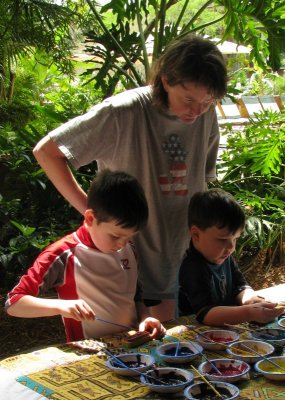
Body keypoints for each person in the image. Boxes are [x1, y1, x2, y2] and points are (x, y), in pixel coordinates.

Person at [32, 34, 228, 321]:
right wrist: (94, 215)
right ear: (165, 80)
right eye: (188, 99)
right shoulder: (122, 112)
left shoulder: (205, 115)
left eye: (207, 101)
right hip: (130, 261)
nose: (196, 111)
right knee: (144, 355)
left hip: (188, 260)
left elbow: (201, 183)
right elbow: (48, 152)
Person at [5, 169, 165, 342]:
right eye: (115, 236)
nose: (122, 244)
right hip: (90, 355)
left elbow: (134, 296)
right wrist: (60, 306)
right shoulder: (64, 254)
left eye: (130, 236)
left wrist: (145, 317)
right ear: (90, 218)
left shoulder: (128, 248)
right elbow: (13, 303)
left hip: (132, 348)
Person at [178, 188, 284, 326]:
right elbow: (205, 314)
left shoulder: (223, 256)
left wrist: (251, 299)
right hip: (195, 338)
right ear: (196, 234)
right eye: (223, 240)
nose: (231, 247)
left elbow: (239, 286)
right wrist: (248, 312)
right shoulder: (192, 267)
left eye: (235, 239)